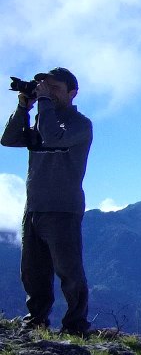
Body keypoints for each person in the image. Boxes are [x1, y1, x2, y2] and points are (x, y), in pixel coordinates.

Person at [1, 67, 93, 335]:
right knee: (33, 271)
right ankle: (36, 321)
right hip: (34, 207)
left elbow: (54, 137)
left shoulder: (80, 125)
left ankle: (76, 325)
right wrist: (23, 108)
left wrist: (42, 105)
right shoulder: (42, 119)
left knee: (69, 272)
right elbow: (8, 140)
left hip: (64, 208)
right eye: (45, 87)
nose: (49, 93)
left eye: (55, 89)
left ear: (72, 93)